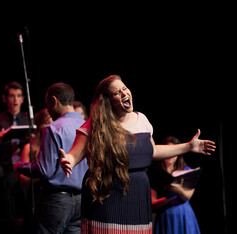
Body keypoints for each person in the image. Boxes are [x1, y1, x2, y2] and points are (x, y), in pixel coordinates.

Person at [60, 74, 216, 233]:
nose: (124, 93)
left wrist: (188, 147)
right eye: (117, 93)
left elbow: (153, 151)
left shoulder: (141, 119)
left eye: (124, 88)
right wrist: (68, 160)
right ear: (107, 101)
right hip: (107, 196)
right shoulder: (96, 124)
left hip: (138, 195)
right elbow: (73, 155)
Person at [14, 82, 88, 234]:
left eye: (47, 104)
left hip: (57, 200)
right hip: (82, 200)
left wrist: (19, 166)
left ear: (53, 100)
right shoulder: (87, 126)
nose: (47, 109)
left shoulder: (53, 128)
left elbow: (44, 171)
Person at [0, 81, 30, 231]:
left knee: (26, 209)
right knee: (8, 210)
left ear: (23, 98)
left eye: (18, 96)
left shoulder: (28, 119)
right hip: (6, 170)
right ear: (5, 98)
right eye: (12, 96)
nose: (15, 100)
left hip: (24, 169)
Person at [150, 136, 201, 234]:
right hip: (165, 216)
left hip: (183, 215)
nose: (170, 155)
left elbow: (188, 196)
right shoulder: (155, 173)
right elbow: (152, 203)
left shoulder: (186, 171)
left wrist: (178, 190)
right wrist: (167, 200)